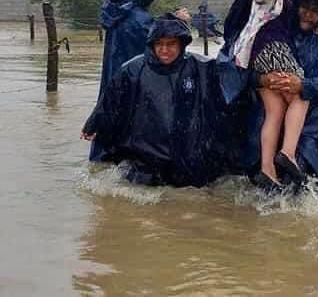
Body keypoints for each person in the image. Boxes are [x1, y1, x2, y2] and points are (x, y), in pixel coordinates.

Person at [81, 14, 232, 187]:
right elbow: (112, 101)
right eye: (159, 44)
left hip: (189, 153)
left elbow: (231, 89)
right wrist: (94, 124)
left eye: (171, 44)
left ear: (182, 43)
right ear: (151, 44)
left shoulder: (202, 67)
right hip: (145, 157)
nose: (164, 50)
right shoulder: (132, 69)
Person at [235, 0, 318, 192]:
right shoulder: (279, 29)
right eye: (305, 8)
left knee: (305, 190)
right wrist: (261, 80)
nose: (308, 15)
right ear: (296, 6)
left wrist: (304, 85)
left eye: (315, 12)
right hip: (262, 122)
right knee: (257, 191)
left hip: (309, 127)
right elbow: (237, 71)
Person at [231, 0, 311, 189]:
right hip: (271, 46)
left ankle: (268, 169)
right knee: (302, 94)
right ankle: (287, 153)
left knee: (275, 111)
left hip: (258, 52)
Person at [97, 0, 189, 100]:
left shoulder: (118, 14)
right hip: (133, 89)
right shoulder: (140, 22)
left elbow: (154, 25)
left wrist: (173, 18)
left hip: (113, 85)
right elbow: (165, 48)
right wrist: (180, 23)